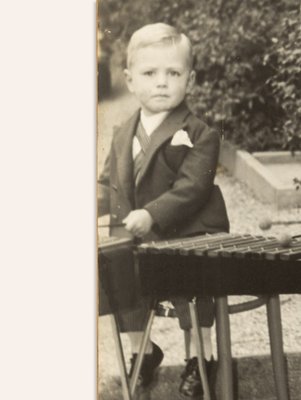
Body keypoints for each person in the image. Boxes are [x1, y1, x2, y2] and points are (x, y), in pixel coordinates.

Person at [98, 23, 229, 398]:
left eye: (173, 73)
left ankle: (200, 358)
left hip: (189, 230)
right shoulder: (123, 131)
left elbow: (192, 188)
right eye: (149, 73)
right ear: (129, 79)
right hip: (139, 233)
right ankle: (144, 352)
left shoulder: (200, 132)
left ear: (190, 79)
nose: (161, 83)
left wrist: (152, 214)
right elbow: (109, 183)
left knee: (194, 290)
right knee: (121, 278)